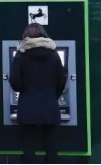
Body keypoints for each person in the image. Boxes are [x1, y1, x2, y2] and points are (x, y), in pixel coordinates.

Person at [9, 23, 67, 164]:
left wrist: (25, 90)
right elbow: (61, 81)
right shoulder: (54, 55)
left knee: (28, 148)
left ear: (25, 36)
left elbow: (15, 82)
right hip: (50, 106)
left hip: (28, 107)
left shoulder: (21, 55)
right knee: (51, 148)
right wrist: (53, 95)